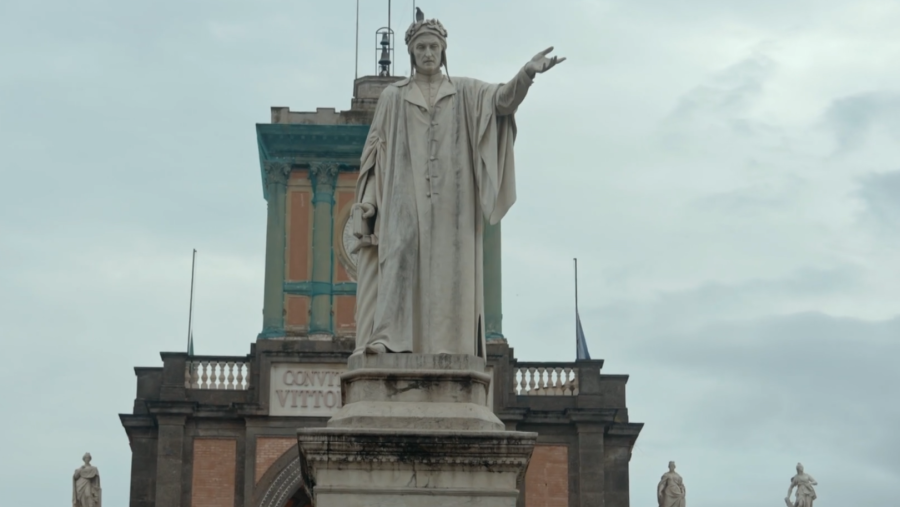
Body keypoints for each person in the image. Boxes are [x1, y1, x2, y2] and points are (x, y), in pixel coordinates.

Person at [352, 12, 564, 357]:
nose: (427, 53)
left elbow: (502, 100)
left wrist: (526, 74)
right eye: (420, 47)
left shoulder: (465, 91)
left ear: (443, 51)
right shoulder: (393, 97)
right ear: (411, 53)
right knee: (398, 257)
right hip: (403, 197)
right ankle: (389, 338)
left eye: (433, 46)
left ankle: (451, 346)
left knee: (452, 273)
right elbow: (375, 155)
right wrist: (370, 201)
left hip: (453, 203)